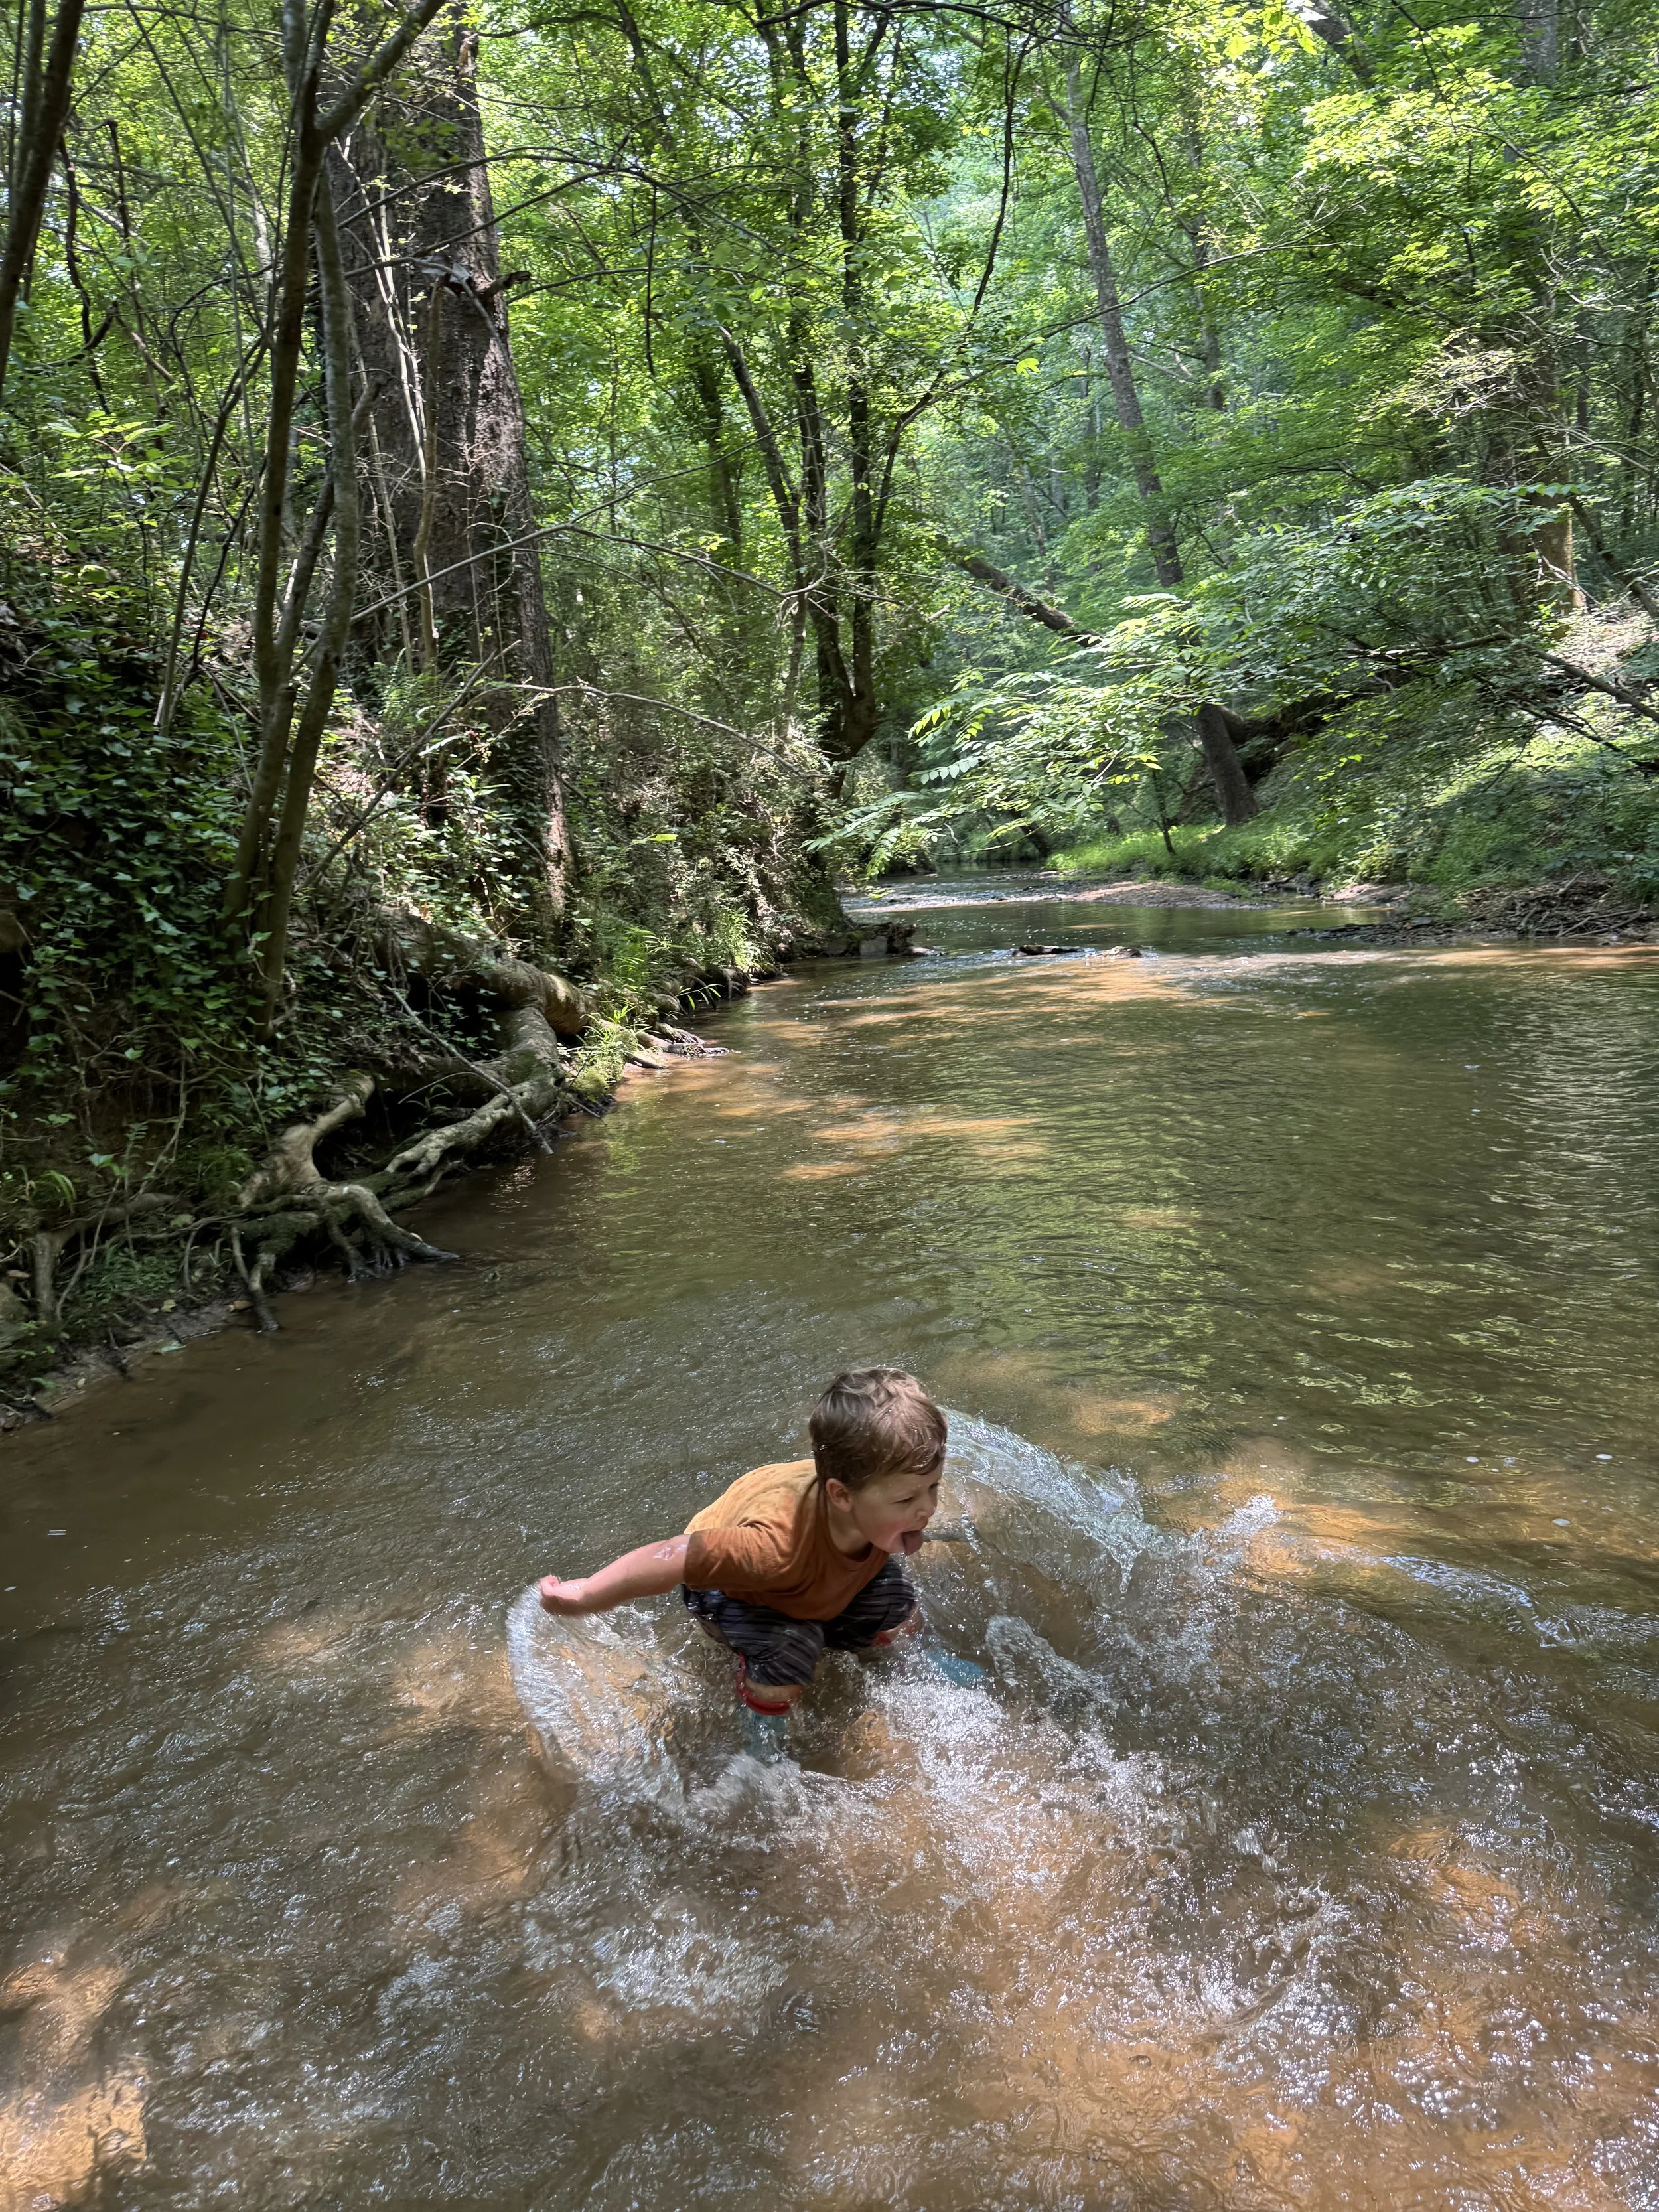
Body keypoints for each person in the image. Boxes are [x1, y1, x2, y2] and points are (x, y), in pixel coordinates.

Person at [537, 1367, 945, 1716]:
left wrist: (900, 1513)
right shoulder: (773, 1549)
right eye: (908, 1499)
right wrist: (587, 1595)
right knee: (794, 1646)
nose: (926, 1508)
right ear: (842, 1496)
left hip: (813, 1559)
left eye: (933, 1488)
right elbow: (670, 1558)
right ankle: (762, 1739)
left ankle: (913, 1665)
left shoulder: (874, 1509)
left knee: (895, 1596)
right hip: (730, 1593)